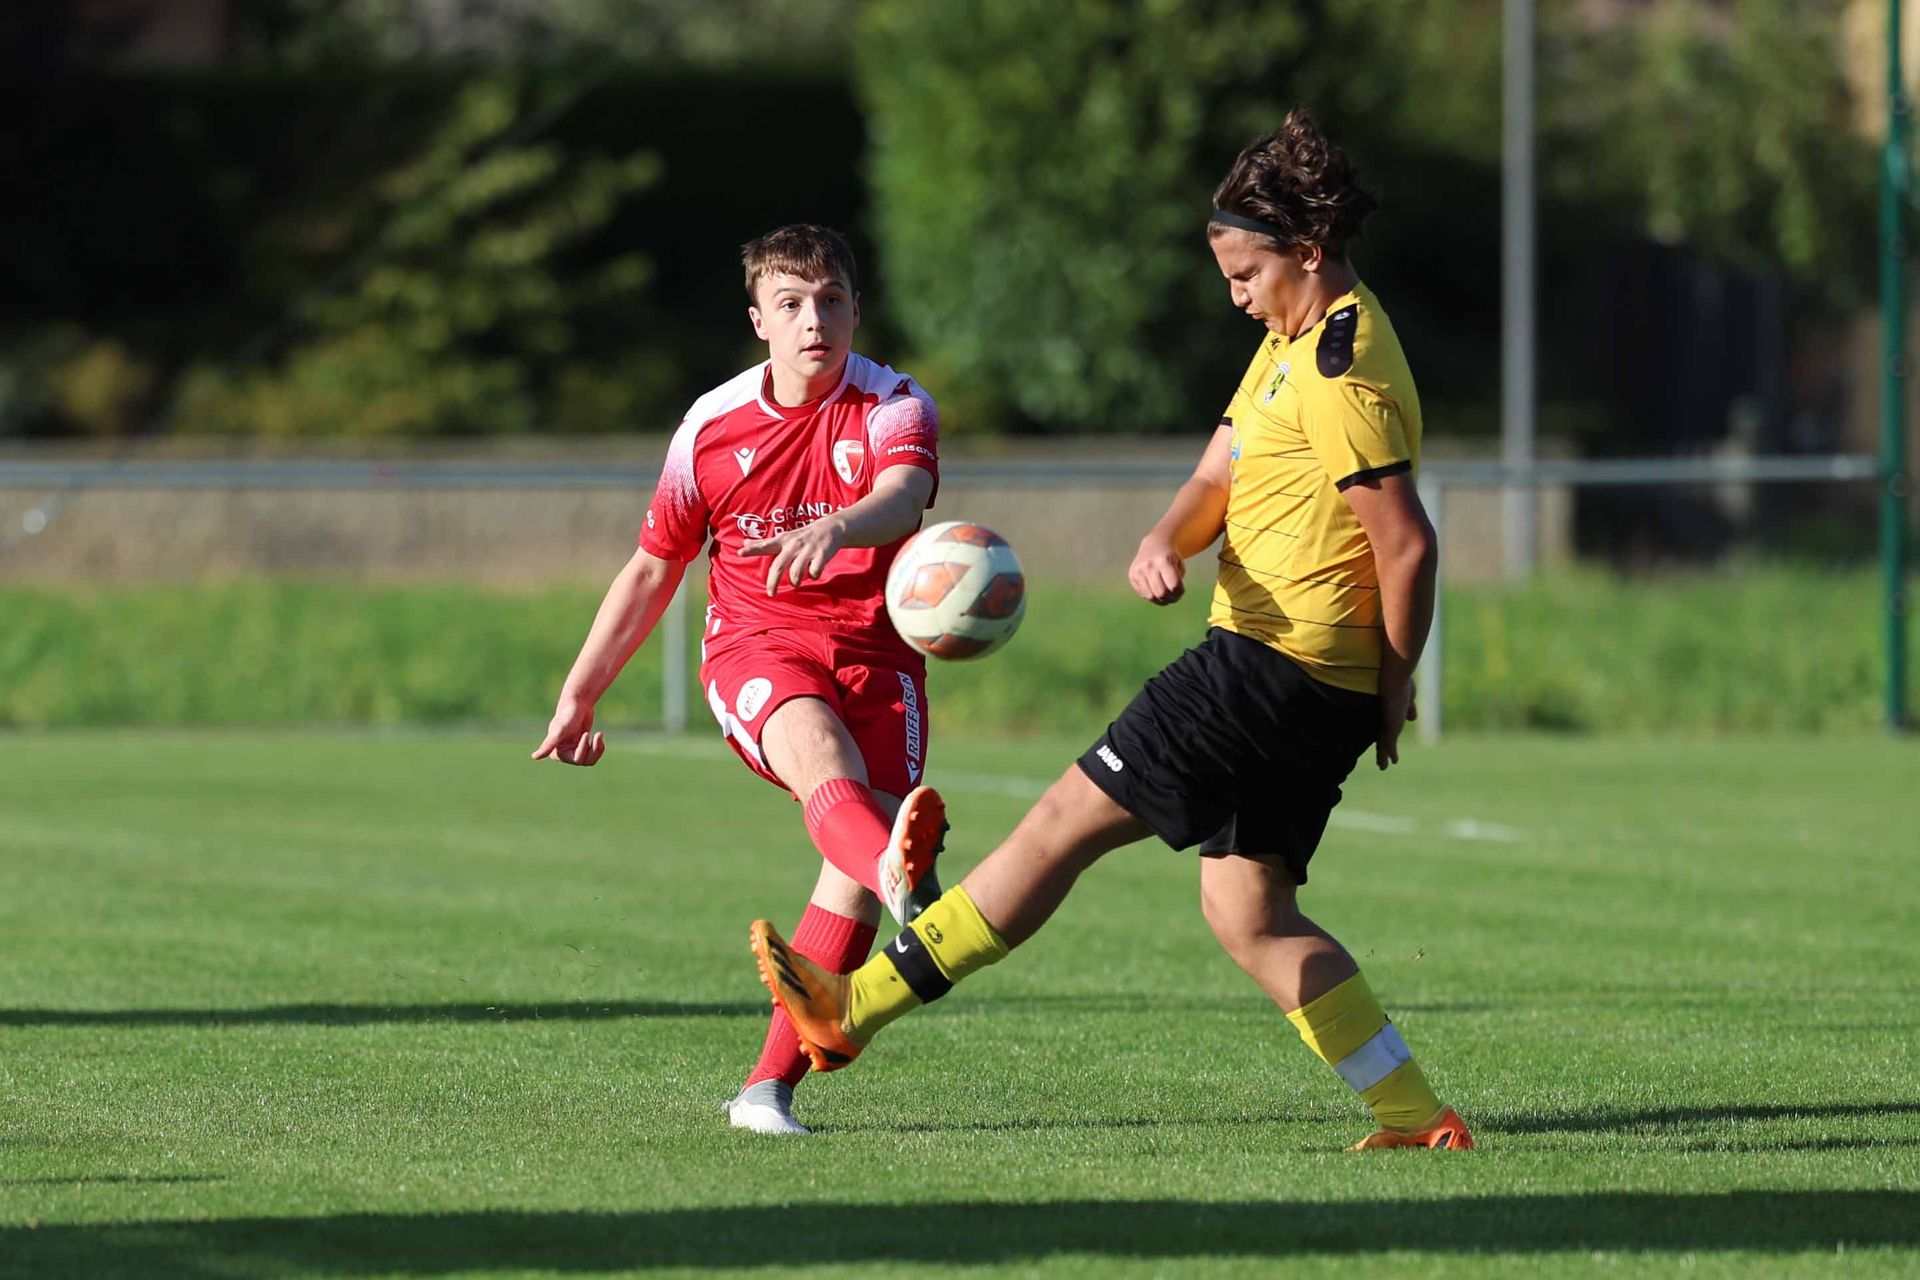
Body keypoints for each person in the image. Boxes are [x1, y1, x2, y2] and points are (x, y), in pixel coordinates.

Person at [750, 112, 1473, 1150]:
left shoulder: (1341, 372)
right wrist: (1165, 538)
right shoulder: (1292, 339)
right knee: (1250, 915)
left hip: (1269, 669)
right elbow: (1219, 471)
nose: (1235, 296)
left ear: (1307, 254)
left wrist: (1394, 681)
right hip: (1298, 681)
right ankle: (1413, 1114)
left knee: (1058, 826)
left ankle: (851, 1010)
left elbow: (1406, 547)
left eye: (1246, 275)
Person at [535, 224, 947, 1137]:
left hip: (881, 653)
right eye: (792, 305)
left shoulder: (894, 405)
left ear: (854, 311)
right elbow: (653, 567)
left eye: (832, 300)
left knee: (850, 866)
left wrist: (841, 527)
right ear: (759, 319)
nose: (815, 322)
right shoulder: (710, 429)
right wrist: (581, 689)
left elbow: (905, 496)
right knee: (828, 770)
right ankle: (905, 882)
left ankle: (765, 1092)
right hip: (760, 642)